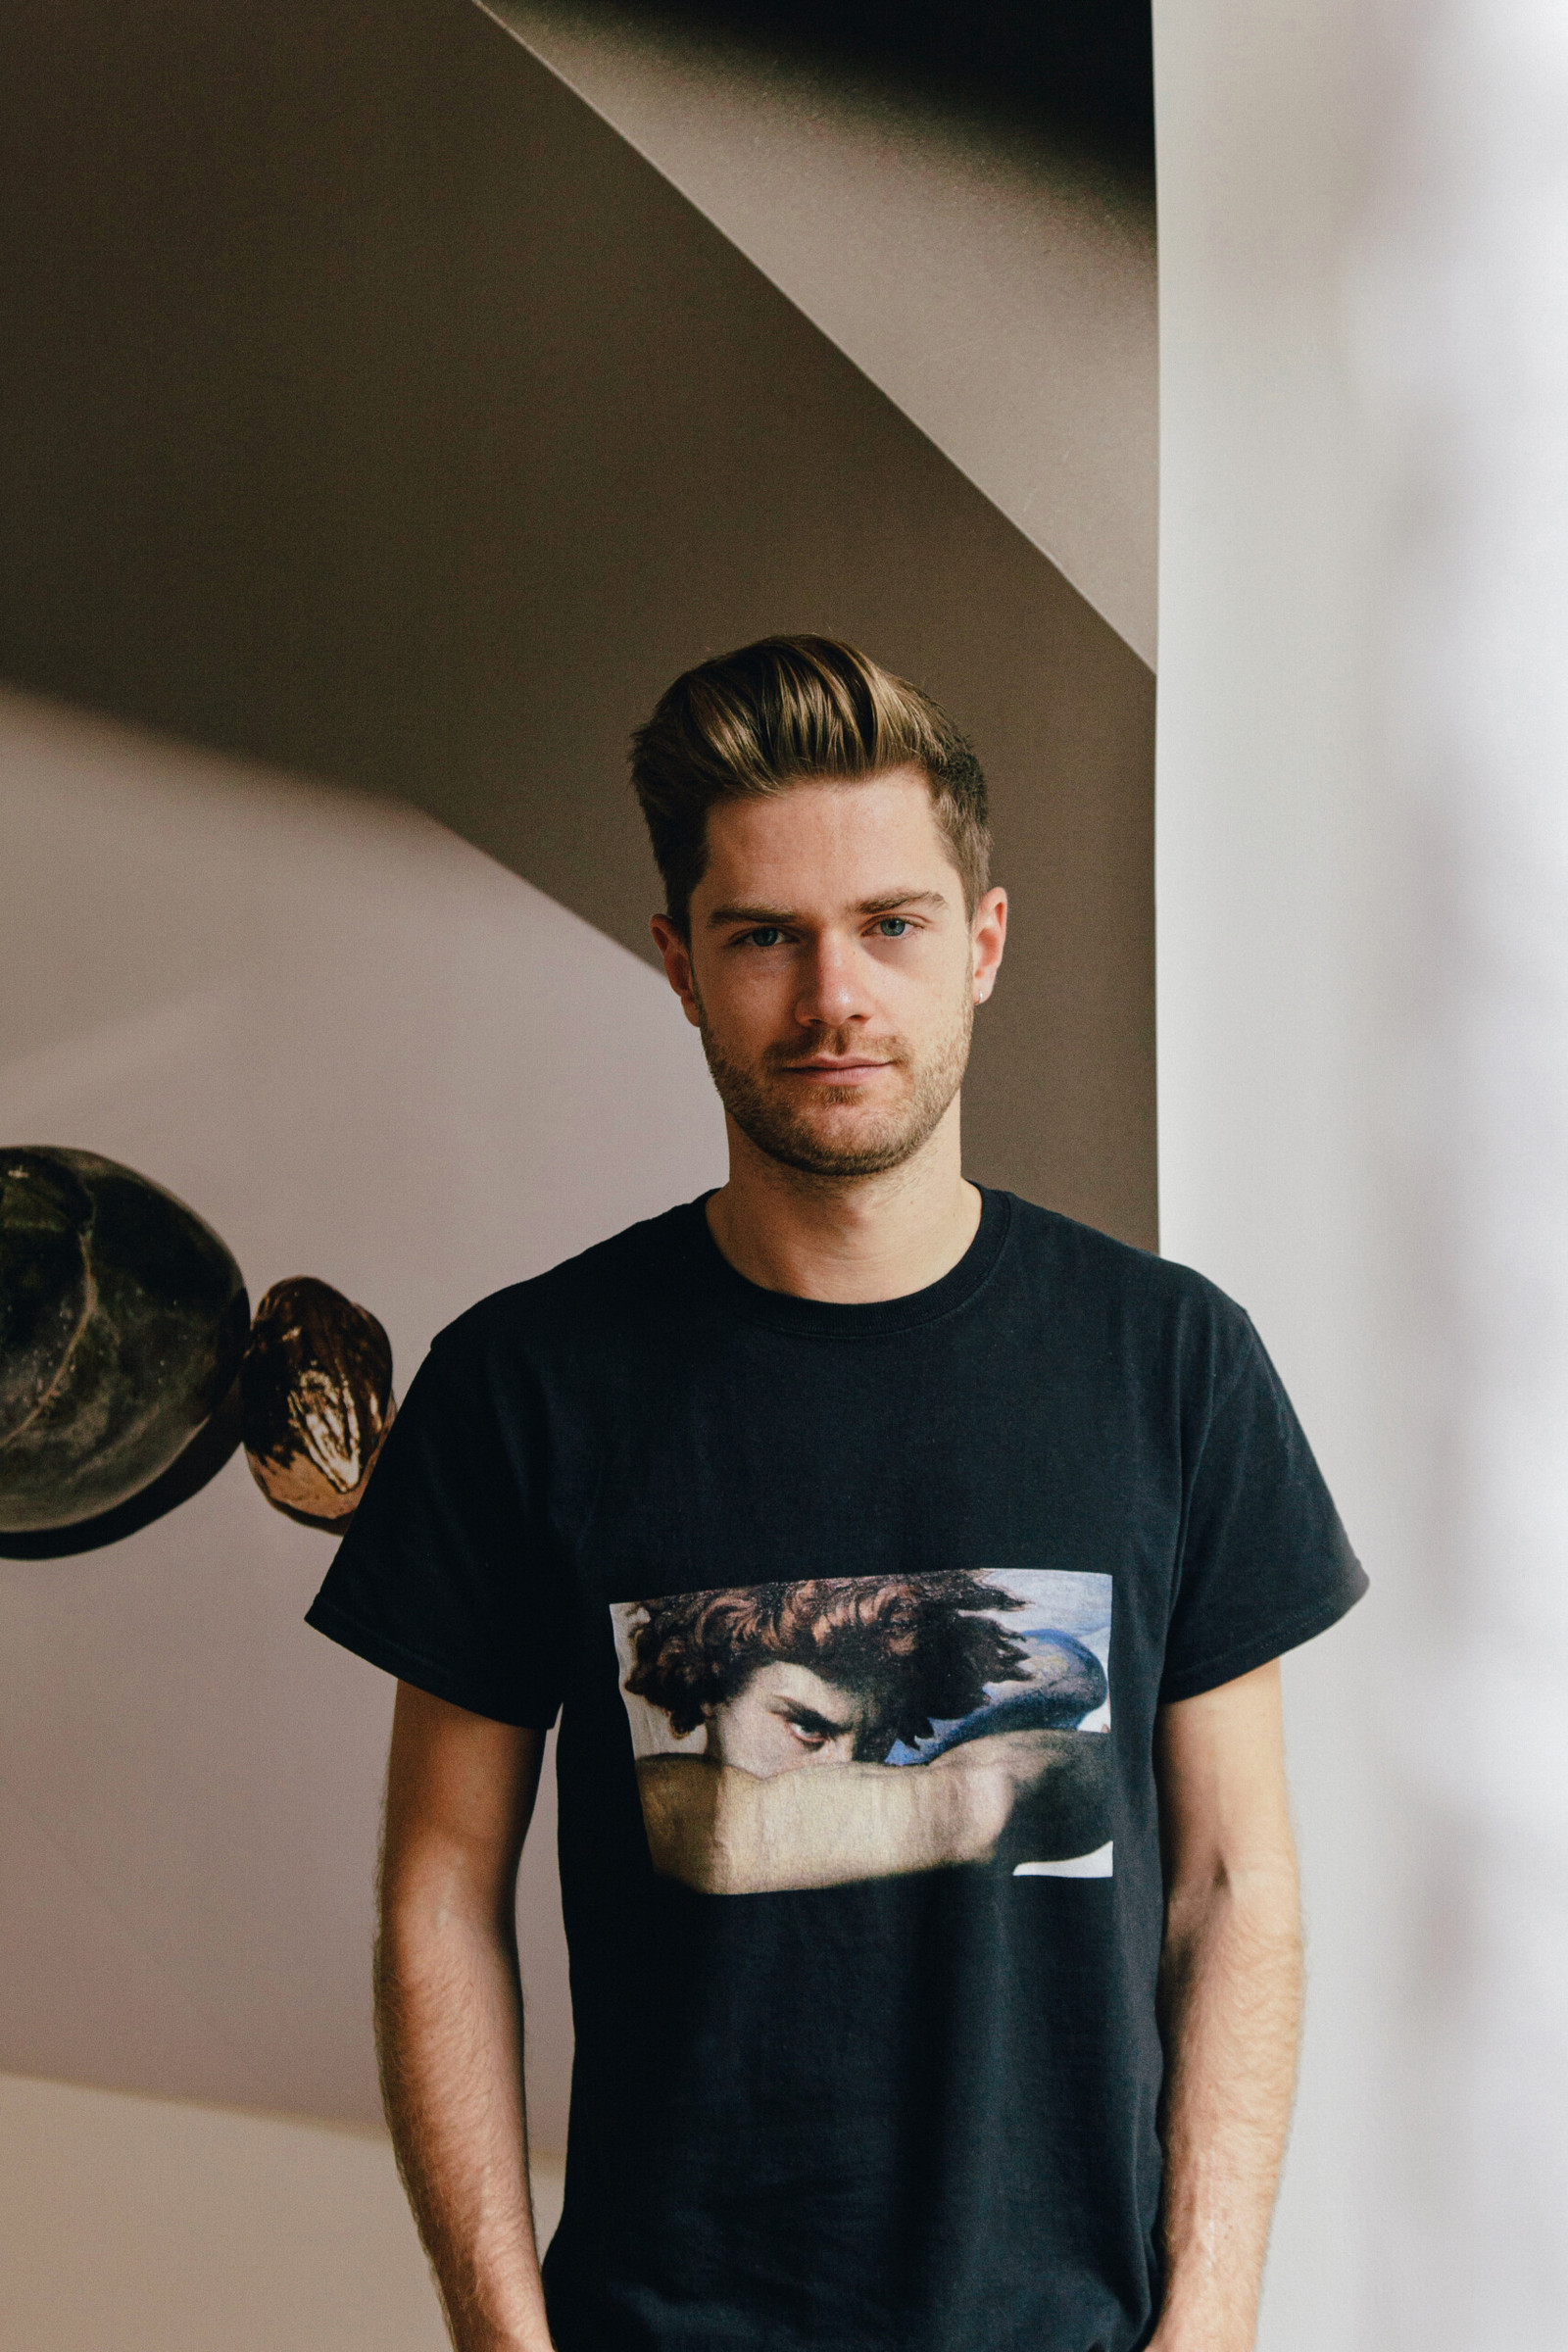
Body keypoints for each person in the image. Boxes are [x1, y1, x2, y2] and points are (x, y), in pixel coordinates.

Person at [307, 635, 1365, 2352]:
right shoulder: (523, 1383)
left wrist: (1214, 2310)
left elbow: (1237, 1880)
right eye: (764, 937)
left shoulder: (1173, 1364)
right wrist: (503, 2337)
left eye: (891, 925)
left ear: (983, 944)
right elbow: (438, 1889)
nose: (833, 997)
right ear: (679, 961)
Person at [620, 1571, 1112, 1891]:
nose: (847, 1769)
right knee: (1070, 1670)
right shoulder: (663, 1800)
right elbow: (995, 1806)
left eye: (875, 1738)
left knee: (1075, 1671)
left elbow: (1110, 1774)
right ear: (710, 1690)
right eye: (807, 1727)